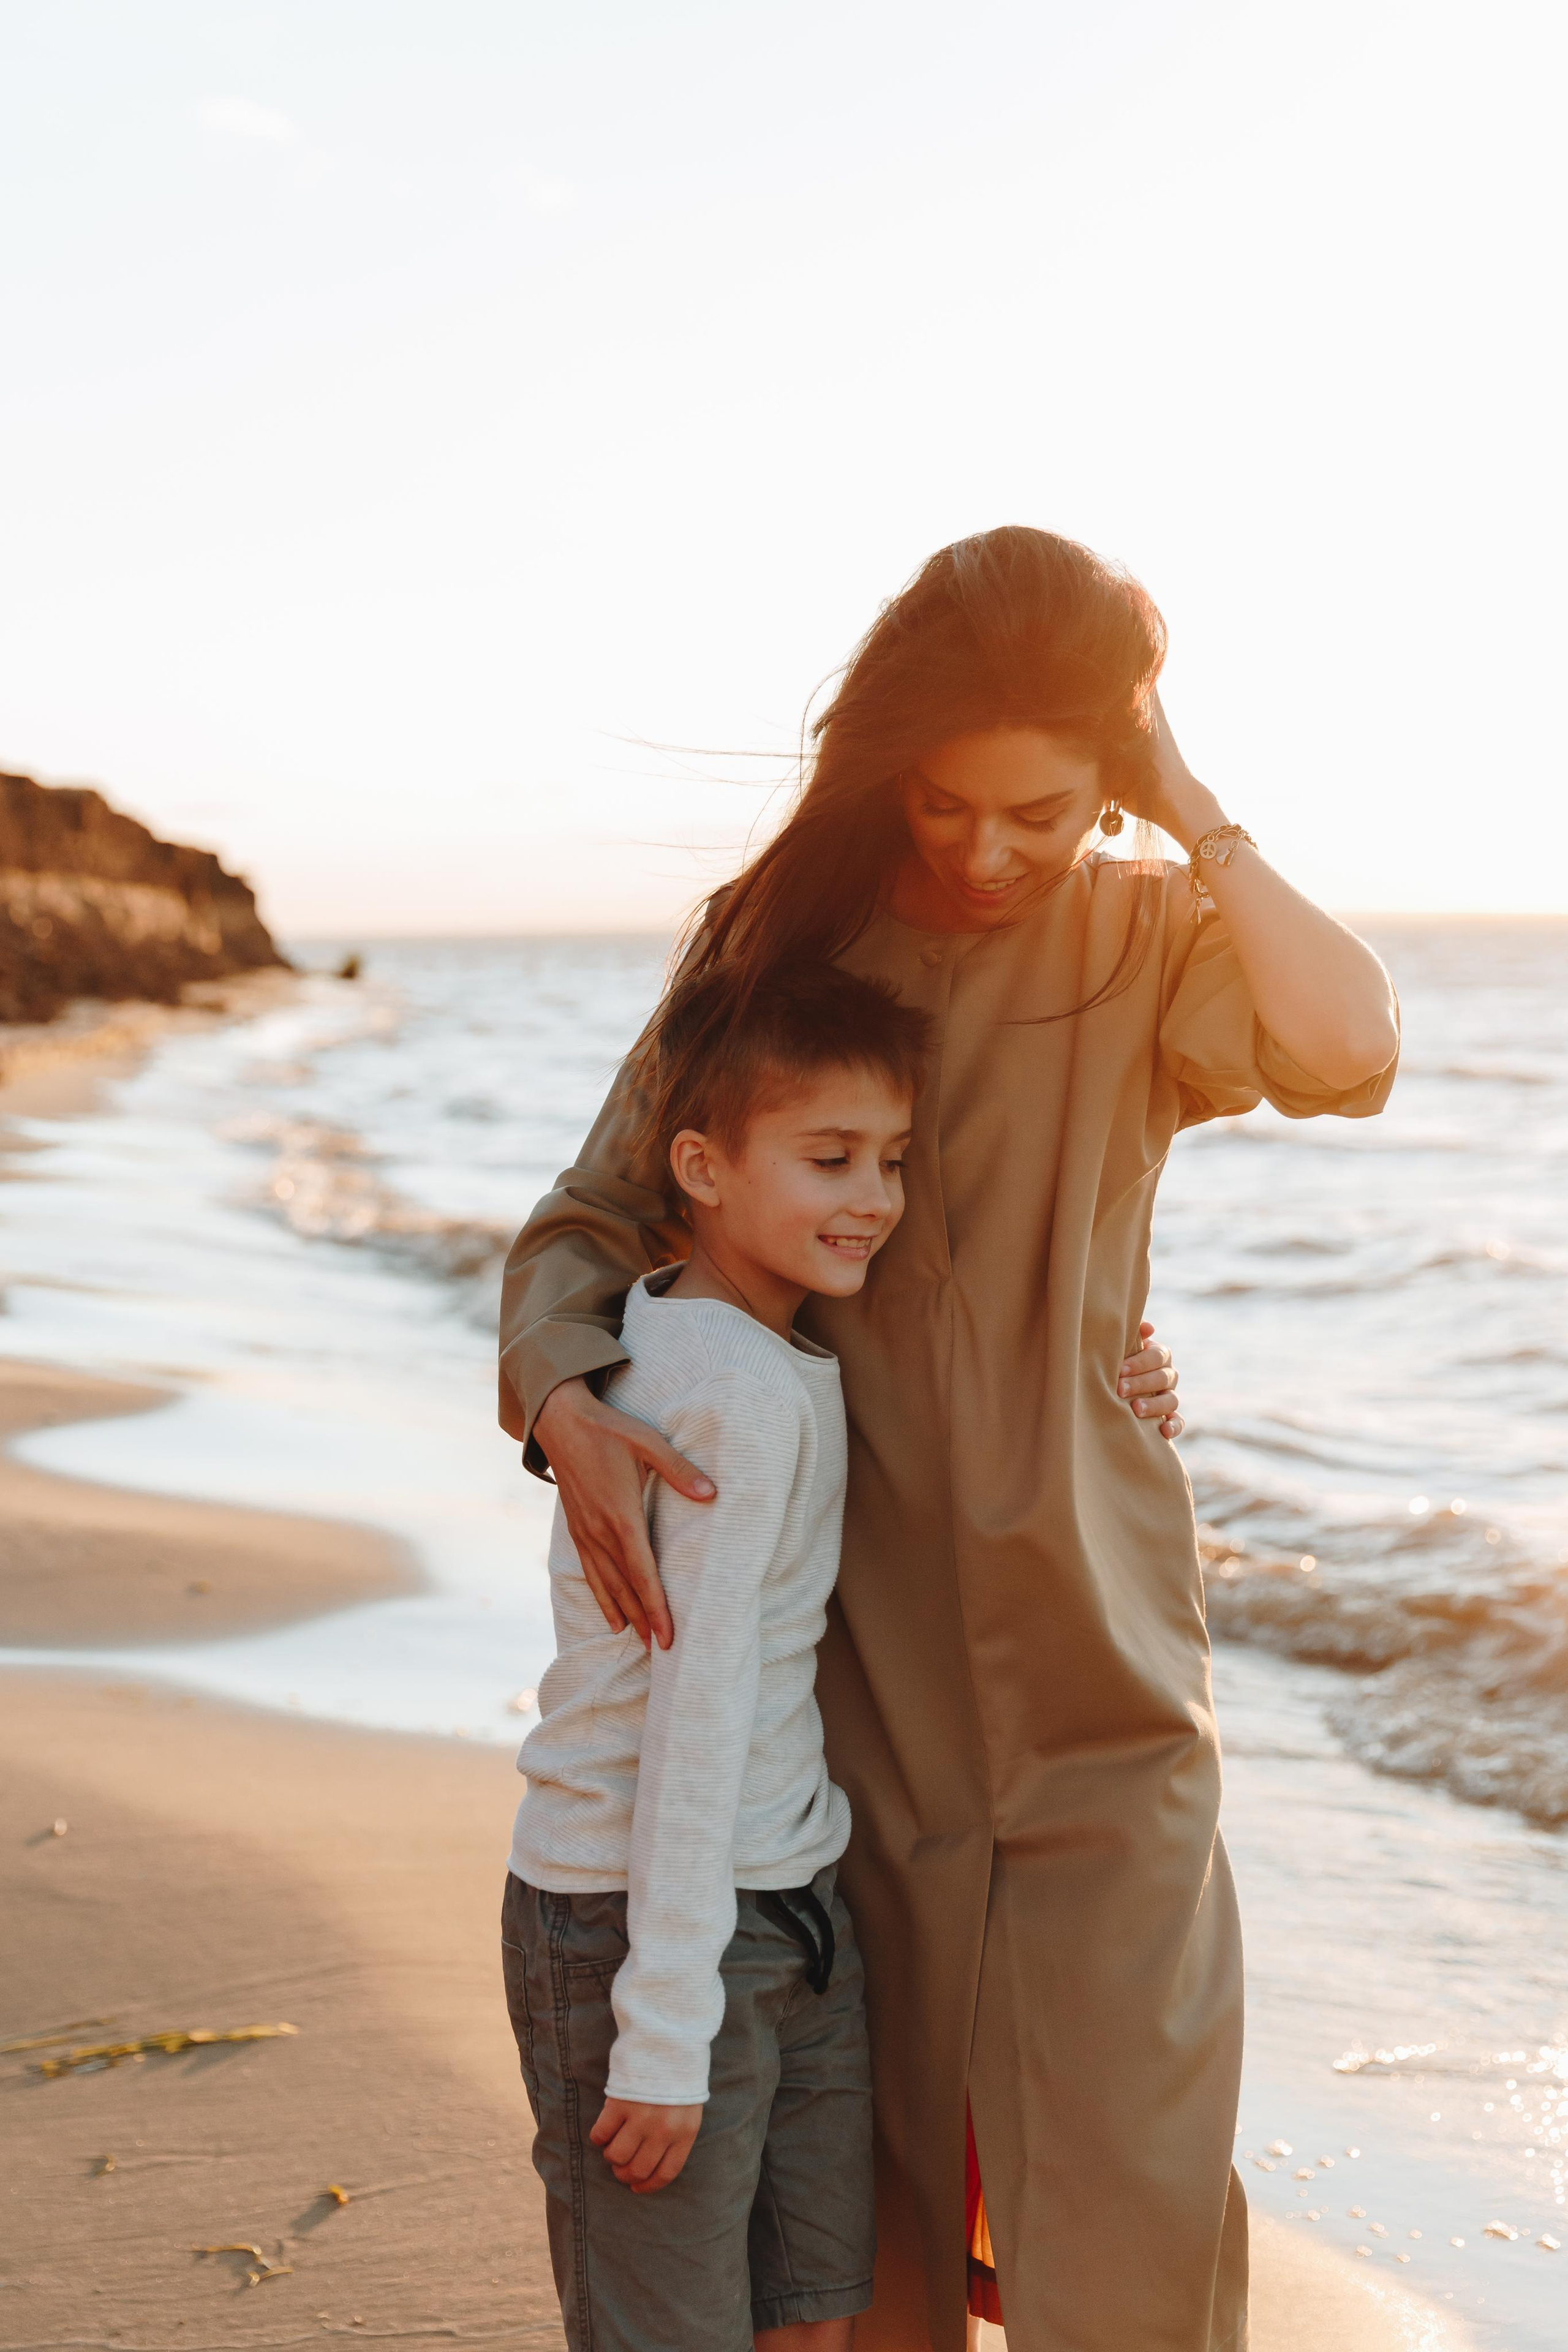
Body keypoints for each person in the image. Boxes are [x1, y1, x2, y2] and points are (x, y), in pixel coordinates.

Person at [499, 527, 1400, 2352]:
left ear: (1108, 778)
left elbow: (1349, 1049)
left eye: (1041, 812)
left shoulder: (1145, 935)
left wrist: (1183, 798)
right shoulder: (785, 946)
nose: (986, 853)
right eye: (945, 804)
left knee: (1137, 2201)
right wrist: (566, 1405)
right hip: (848, 1679)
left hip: (1107, 1669)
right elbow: (593, 1222)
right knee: (880, 2219)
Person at [502, 959, 930, 2352]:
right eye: (829, 1158)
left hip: (784, 1904)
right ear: (700, 1167)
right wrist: (665, 2023)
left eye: (892, 1159)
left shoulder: (725, 1339)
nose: (873, 1197)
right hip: (641, 1922)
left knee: (810, 2314)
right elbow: (694, 1711)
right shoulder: (730, 1389)